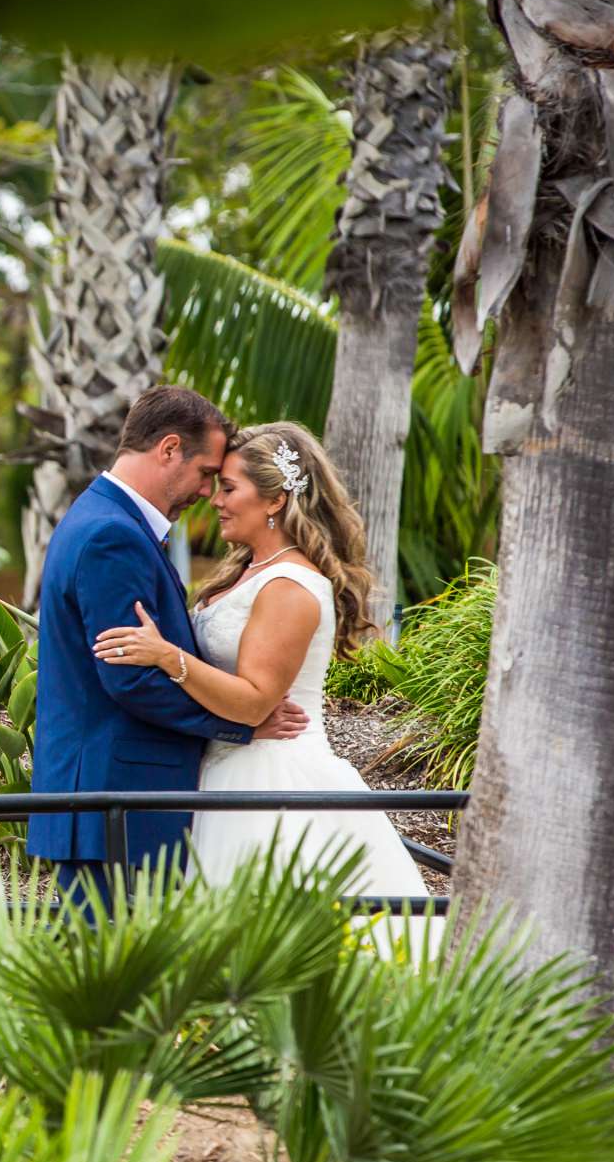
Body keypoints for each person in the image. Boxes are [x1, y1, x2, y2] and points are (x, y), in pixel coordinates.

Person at [91, 420, 428, 903]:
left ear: (274, 500)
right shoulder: (247, 572)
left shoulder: (289, 585)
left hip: (272, 774)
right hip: (222, 768)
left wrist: (168, 657)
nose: (215, 499)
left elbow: (253, 703)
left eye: (229, 488)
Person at [28, 387, 309, 910]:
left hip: (110, 798)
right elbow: (130, 679)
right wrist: (241, 725)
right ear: (169, 449)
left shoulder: (104, 518)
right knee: (104, 970)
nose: (208, 493)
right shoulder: (113, 535)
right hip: (118, 799)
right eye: (206, 474)